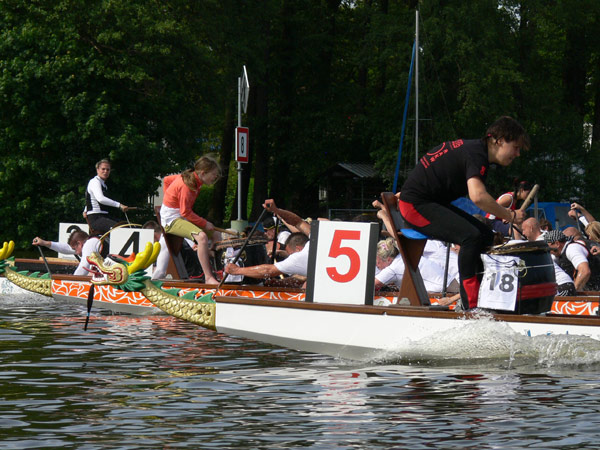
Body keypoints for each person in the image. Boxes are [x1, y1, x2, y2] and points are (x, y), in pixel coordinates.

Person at [398, 116, 529, 309]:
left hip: (426, 202)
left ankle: (483, 298)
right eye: (515, 147)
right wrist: (510, 215)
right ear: (499, 140)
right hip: (415, 206)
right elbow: (478, 196)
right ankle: (470, 305)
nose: (517, 154)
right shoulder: (476, 155)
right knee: (471, 237)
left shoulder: (475, 151)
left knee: (486, 235)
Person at [159, 155, 222, 285]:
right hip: (171, 220)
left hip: (180, 217)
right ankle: (208, 277)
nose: (215, 177)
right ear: (203, 173)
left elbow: (166, 180)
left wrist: (169, 198)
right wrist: (205, 223)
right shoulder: (187, 185)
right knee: (202, 238)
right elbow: (185, 212)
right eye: (213, 174)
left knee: (216, 234)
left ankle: (215, 267)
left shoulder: (191, 179)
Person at [521, 218, 576, 296]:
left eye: (524, 230)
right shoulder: (538, 244)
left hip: (562, 284)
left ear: (531, 228)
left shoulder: (542, 244)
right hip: (558, 284)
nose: (523, 233)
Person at [225, 232, 309, 281]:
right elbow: (299, 222)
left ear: (298, 249)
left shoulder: (298, 259)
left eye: (290, 254)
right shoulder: (312, 243)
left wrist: (237, 270)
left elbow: (267, 270)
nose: (290, 257)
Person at [85, 159, 129, 234]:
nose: (105, 171)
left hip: (104, 216)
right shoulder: (95, 182)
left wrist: (85, 209)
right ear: (97, 170)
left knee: (126, 226)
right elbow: (100, 199)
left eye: (108, 170)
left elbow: (90, 199)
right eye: (103, 169)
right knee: (119, 229)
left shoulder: (103, 185)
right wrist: (119, 205)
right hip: (96, 218)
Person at [32, 229, 102, 276]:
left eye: (75, 249)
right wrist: (44, 243)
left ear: (79, 243)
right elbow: (66, 248)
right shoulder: (91, 243)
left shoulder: (89, 244)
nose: (76, 253)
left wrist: (71, 282)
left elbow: (83, 268)